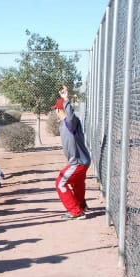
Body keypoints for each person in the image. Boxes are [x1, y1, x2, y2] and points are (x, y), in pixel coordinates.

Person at [52, 86, 91, 220]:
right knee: (77, 183)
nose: (55, 112)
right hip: (81, 161)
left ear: (59, 109)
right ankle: (81, 205)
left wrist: (66, 99)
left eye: (56, 109)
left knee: (60, 183)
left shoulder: (70, 122)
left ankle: (75, 211)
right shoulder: (65, 123)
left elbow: (71, 116)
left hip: (78, 162)